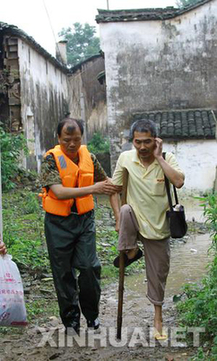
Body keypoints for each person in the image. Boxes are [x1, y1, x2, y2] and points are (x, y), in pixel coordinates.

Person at [40, 117, 118, 334]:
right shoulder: (50, 160)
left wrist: (119, 217)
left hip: (84, 221)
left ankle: (92, 316)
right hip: (58, 224)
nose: (72, 144)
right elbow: (59, 192)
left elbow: (109, 184)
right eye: (67, 140)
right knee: (63, 274)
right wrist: (94, 188)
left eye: (76, 139)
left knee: (89, 266)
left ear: (82, 138)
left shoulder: (89, 158)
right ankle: (71, 322)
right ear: (58, 138)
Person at [110, 118, 184, 339]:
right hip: (133, 220)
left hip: (159, 226)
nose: (142, 147)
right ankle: (132, 250)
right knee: (124, 211)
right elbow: (115, 189)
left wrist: (159, 158)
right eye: (137, 142)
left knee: (158, 274)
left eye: (147, 142)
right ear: (132, 141)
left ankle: (157, 317)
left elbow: (179, 182)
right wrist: (116, 218)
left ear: (156, 141)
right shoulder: (125, 159)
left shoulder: (167, 159)